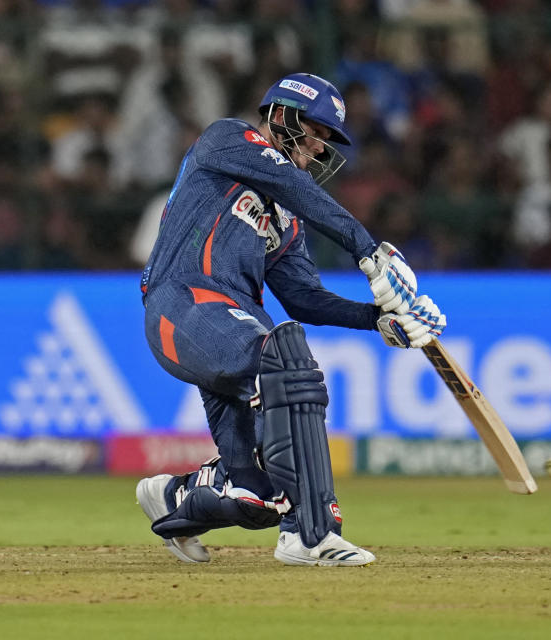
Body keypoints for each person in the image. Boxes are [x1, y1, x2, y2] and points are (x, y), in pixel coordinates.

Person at [136, 73, 446, 567]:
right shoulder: (228, 139)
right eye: (318, 132)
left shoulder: (286, 218)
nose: (321, 149)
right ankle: (310, 533)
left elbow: (303, 298)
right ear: (282, 116)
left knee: (256, 496)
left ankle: (175, 497)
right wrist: (369, 251)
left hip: (230, 324)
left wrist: (378, 318)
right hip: (182, 307)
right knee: (286, 360)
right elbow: (290, 182)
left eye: (328, 140)